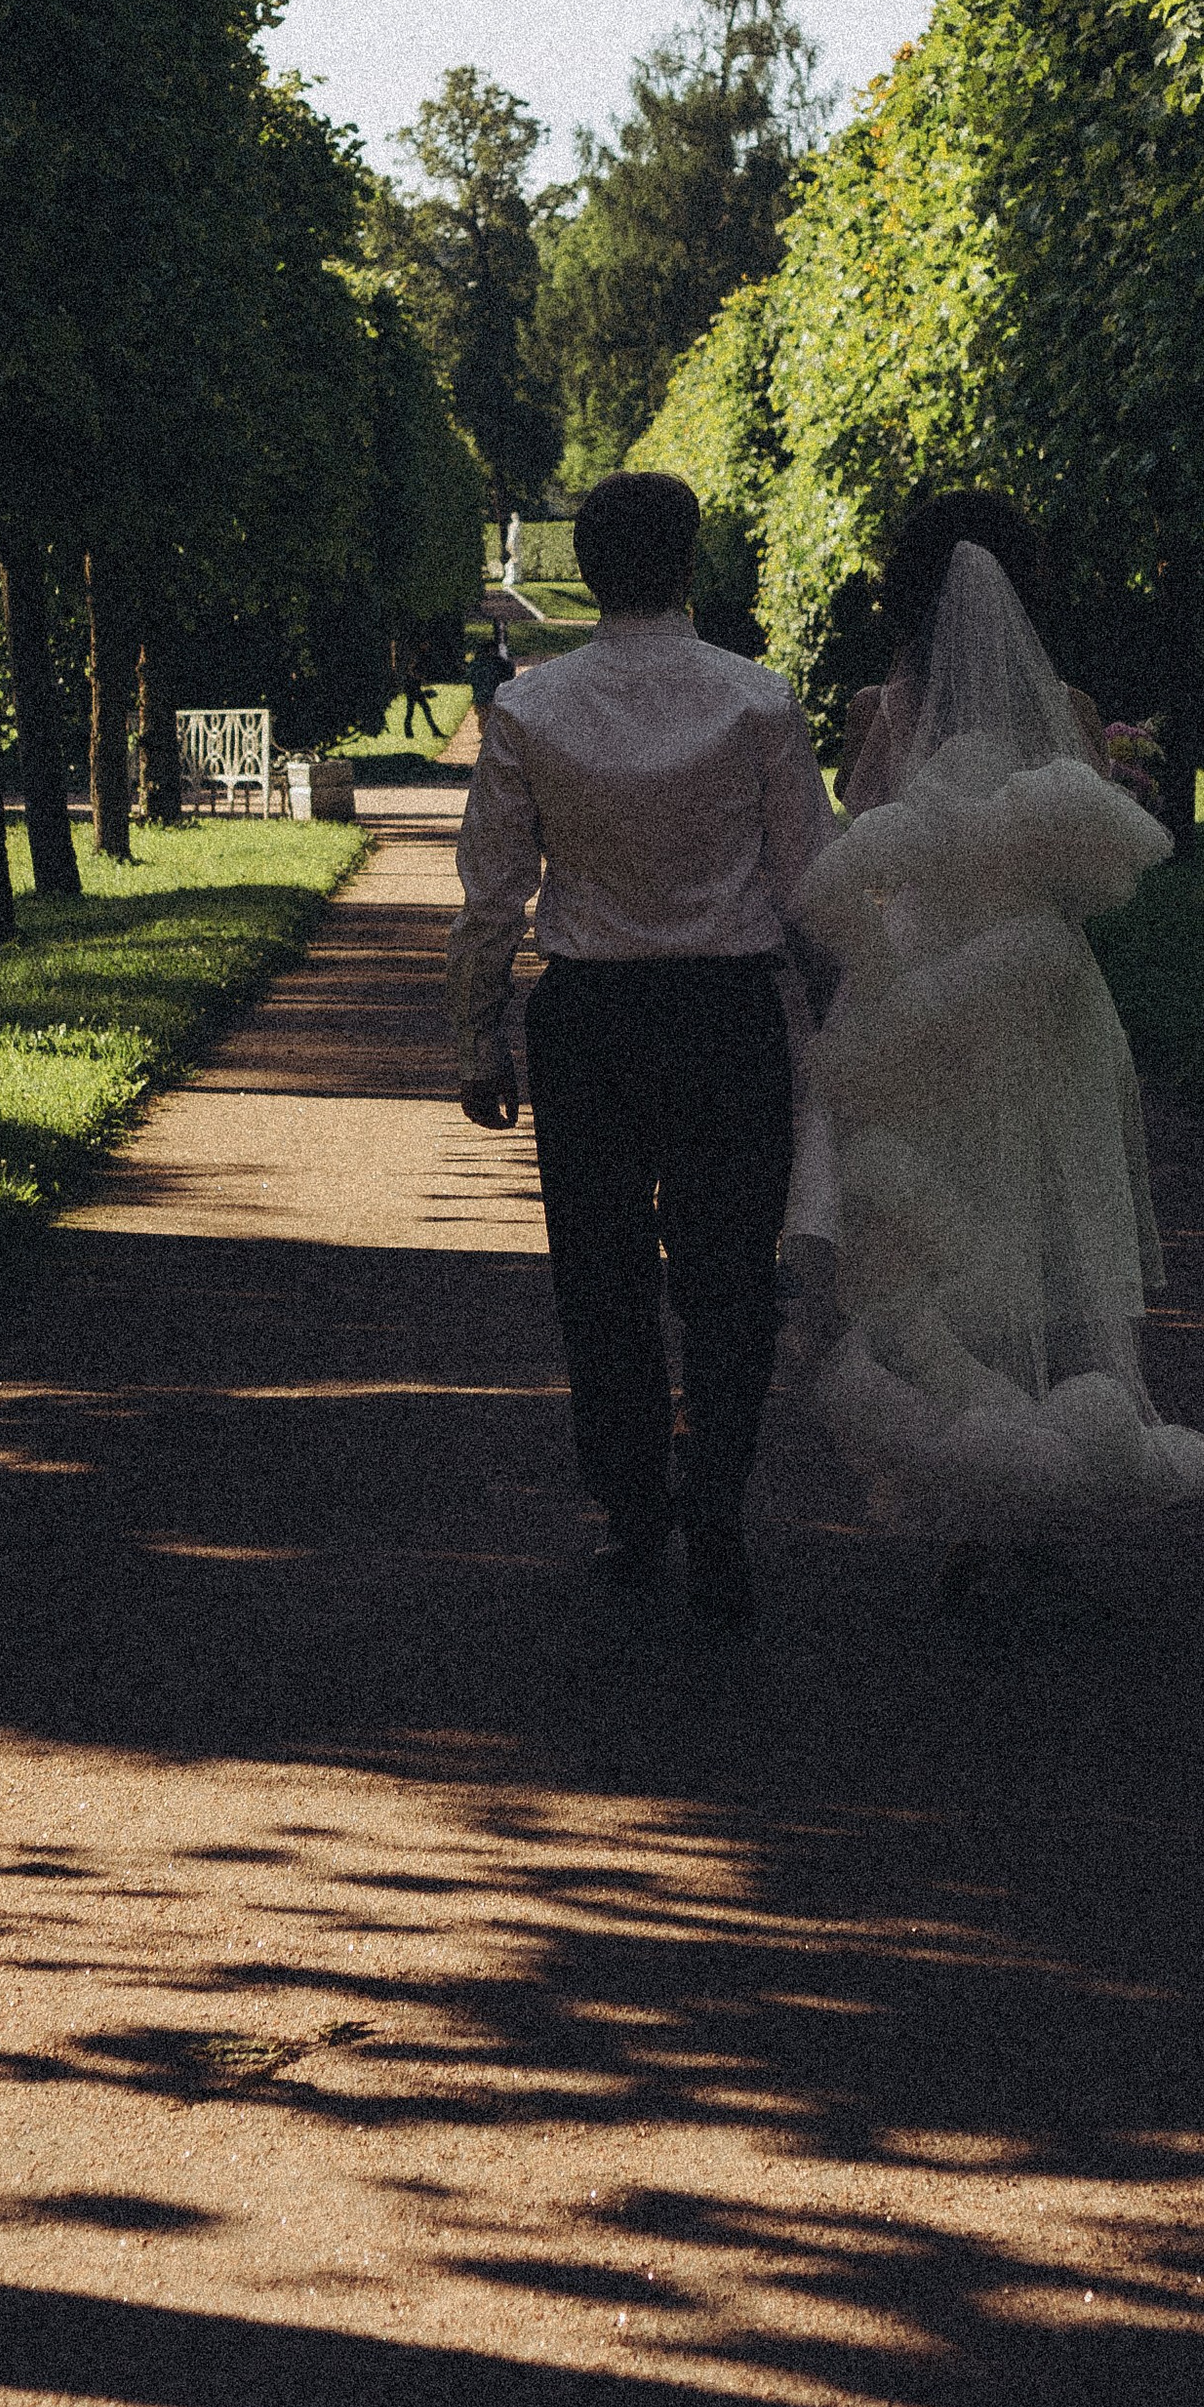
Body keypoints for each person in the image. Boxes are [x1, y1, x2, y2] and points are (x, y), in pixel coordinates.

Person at [790, 495, 1204, 1607]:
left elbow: (861, 827)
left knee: (941, 1227)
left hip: (920, 991)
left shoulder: (887, 705)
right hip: (1040, 991)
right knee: (1048, 1214)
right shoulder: (1065, 704)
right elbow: (1096, 857)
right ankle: (1059, 1470)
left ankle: (969, 1479)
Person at [448, 467, 835, 1630]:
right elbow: (808, 883)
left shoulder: (529, 709)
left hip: (590, 1020)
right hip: (727, 1016)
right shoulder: (758, 701)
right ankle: (713, 1495)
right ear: (690, 563)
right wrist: (839, 1016)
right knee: (727, 1280)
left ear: (584, 569)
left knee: (600, 1278)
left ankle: (629, 1507)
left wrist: (475, 1033)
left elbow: (491, 895)